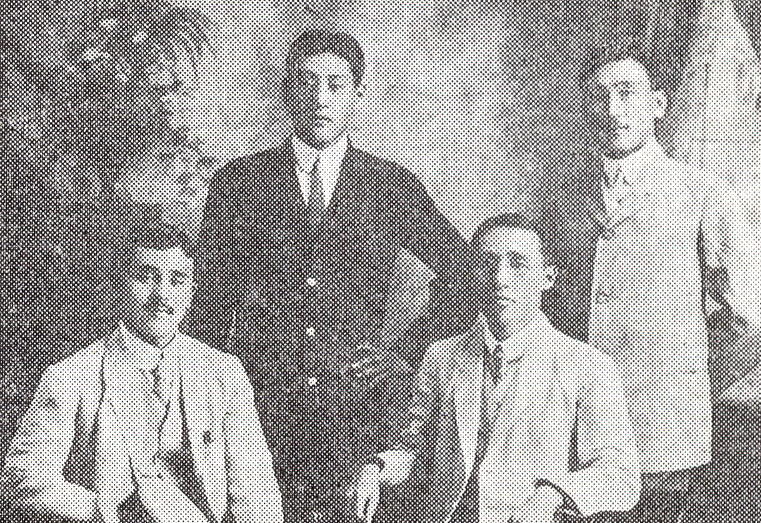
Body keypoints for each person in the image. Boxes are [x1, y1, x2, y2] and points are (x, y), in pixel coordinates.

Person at [191, 29, 473, 523]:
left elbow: (466, 274)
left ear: (358, 93)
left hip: (360, 414)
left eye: (335, 84)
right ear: (287, 91)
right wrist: (216, 389)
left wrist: (410, 351)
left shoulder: (390, 183)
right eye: (306, 83)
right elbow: (209, 299)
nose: (320, 98)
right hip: (261, 405)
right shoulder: (239, 181)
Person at [542, 45, 761, 522]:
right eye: (599, 96)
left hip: (661, 434)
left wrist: (685, 379)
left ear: (658, 104)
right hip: (574, 430)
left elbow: (753, 320)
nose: (612, 109)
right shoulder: (566, 198)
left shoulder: (700, 191)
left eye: (626, 93)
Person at [349, 214, 640, 523]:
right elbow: (413, 449)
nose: (500, 278)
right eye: (487, 263)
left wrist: (551, 495)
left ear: (547, 277)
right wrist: (376, 468)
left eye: (517, 264)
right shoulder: (441, 356)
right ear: (473, 274)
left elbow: (620, 476)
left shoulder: (587, 366)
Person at [2, 223, 283, 523]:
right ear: (120, 284)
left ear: (191, 291)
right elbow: (20, 479)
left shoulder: (223, 372)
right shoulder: (71, 376)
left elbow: (257, 495)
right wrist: (107, 512)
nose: (162, 295)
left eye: (177, 280)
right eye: (145, 277)